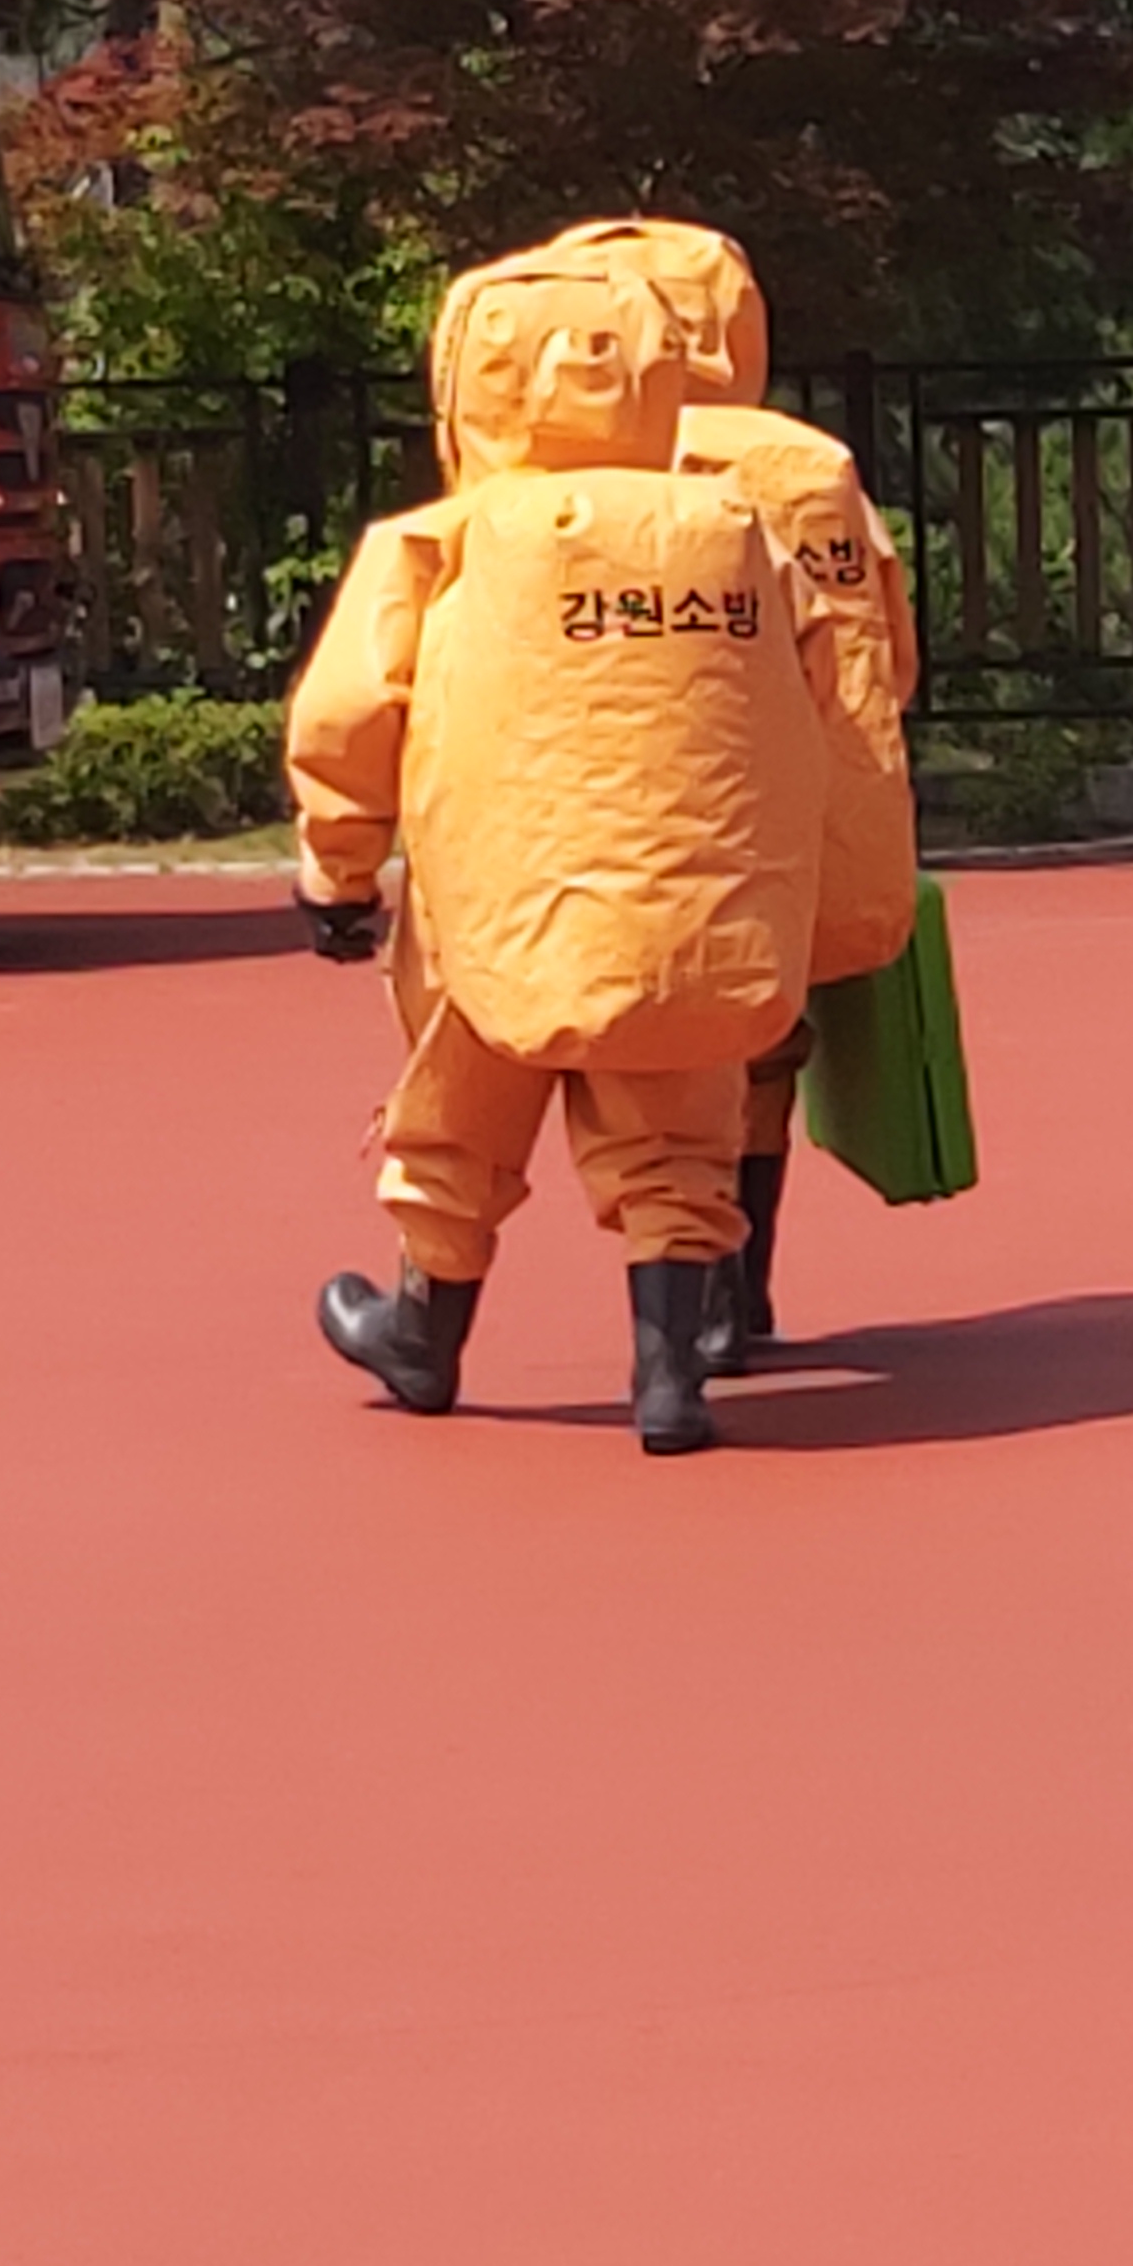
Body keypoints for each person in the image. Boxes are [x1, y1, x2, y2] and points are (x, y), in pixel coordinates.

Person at [284, 234, 849, 1458]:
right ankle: (671, 1376)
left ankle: (424, 1335)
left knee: (458, 1116)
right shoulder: (740, 533)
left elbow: (348, 713)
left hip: (498, 901)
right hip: (691, 901)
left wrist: (337, 870)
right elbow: (831, 699)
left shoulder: (443, 539)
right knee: (677, 1128)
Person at [491, 218, 928, 1366]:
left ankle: (686, 1310)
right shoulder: (812, 466)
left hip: (667, 807)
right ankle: (747, 1295)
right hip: (829, 810)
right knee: (769, 1040)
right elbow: (890, 653)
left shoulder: (603, 472)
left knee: (667, 1064)